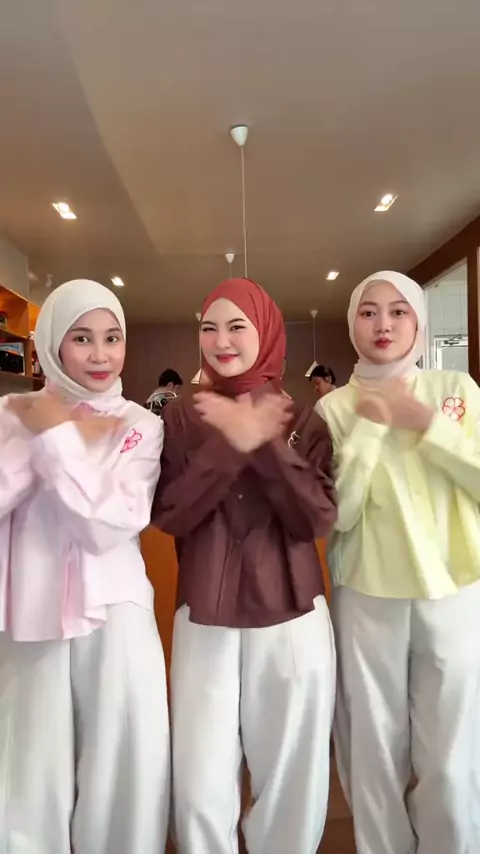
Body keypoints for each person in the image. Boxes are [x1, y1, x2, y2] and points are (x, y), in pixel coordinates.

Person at [152, 277, 337, 854]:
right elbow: (173, 514)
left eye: (237, 326)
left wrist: (264, 444)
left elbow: (314, 518)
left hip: (291, 616)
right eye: (209, 328)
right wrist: (228, 444)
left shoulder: (301, 417)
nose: (222, 340)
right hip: (203, 614)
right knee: (199, 781)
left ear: (266, 332)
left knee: (291, 776)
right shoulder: (181, 418)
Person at [0, 280, 170, 854]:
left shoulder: (142, 425)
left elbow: (108, 523)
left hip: (116, 609)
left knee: (126, 759)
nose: (101, 355)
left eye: (112, 338)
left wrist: (52, 436)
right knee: (27, 770)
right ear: (51, 344)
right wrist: (49, 435)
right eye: (81, 338)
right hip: (29, 611)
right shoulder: (9, 413)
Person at [318, 270, 480, 854]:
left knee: (453, 751)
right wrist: (370, 426)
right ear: (352, 324)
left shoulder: (453, 388)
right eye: (369, 312)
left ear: (418, 321)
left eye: (398, 311)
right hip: (367, 593)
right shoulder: (334, 408)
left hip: (455, 589)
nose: (383, 324)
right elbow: (339, 514)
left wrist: (426, 424)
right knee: (372, 747)